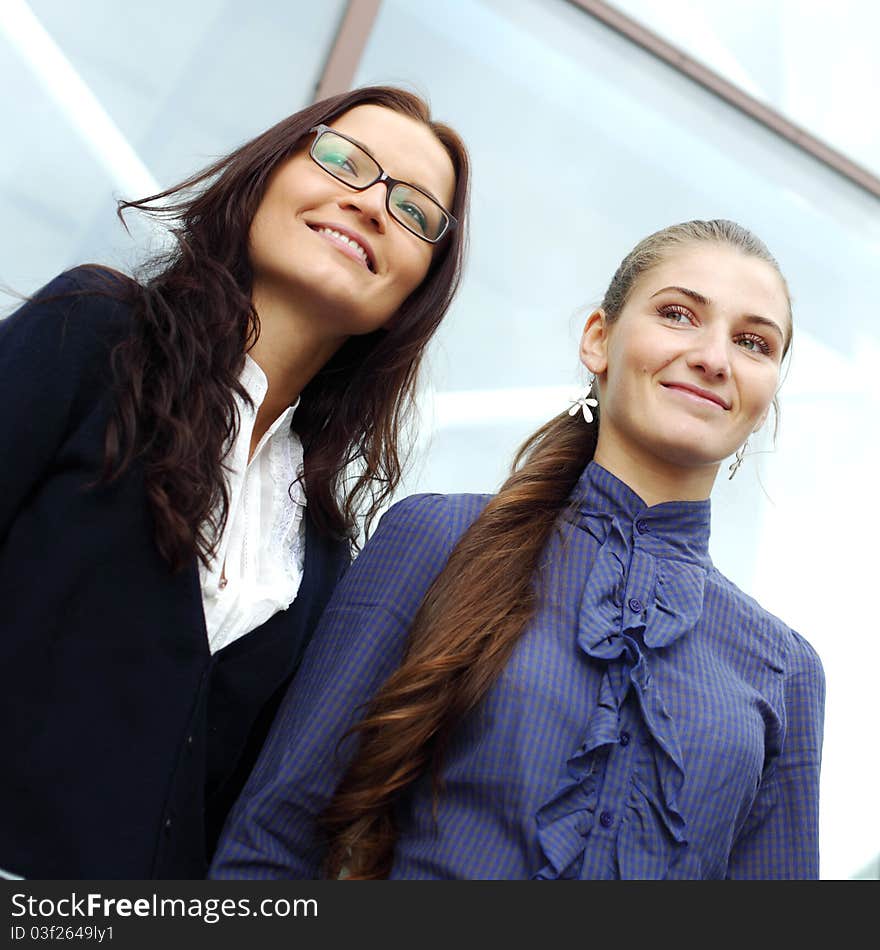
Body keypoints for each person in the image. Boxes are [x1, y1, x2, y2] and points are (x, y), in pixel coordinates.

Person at [210, 219, 826, 881]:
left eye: (753, 342)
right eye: (678, 314)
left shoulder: (786, 673)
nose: (714, 357)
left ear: (766, 400)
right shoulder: (438, 539)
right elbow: (270, 846)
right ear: (600, 339)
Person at [0, 85, 470, 880]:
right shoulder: (94, 335)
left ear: (409, 297)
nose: (371, 206)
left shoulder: (323, 558)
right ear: (267, 178)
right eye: (344, 162)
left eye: (416, 211)